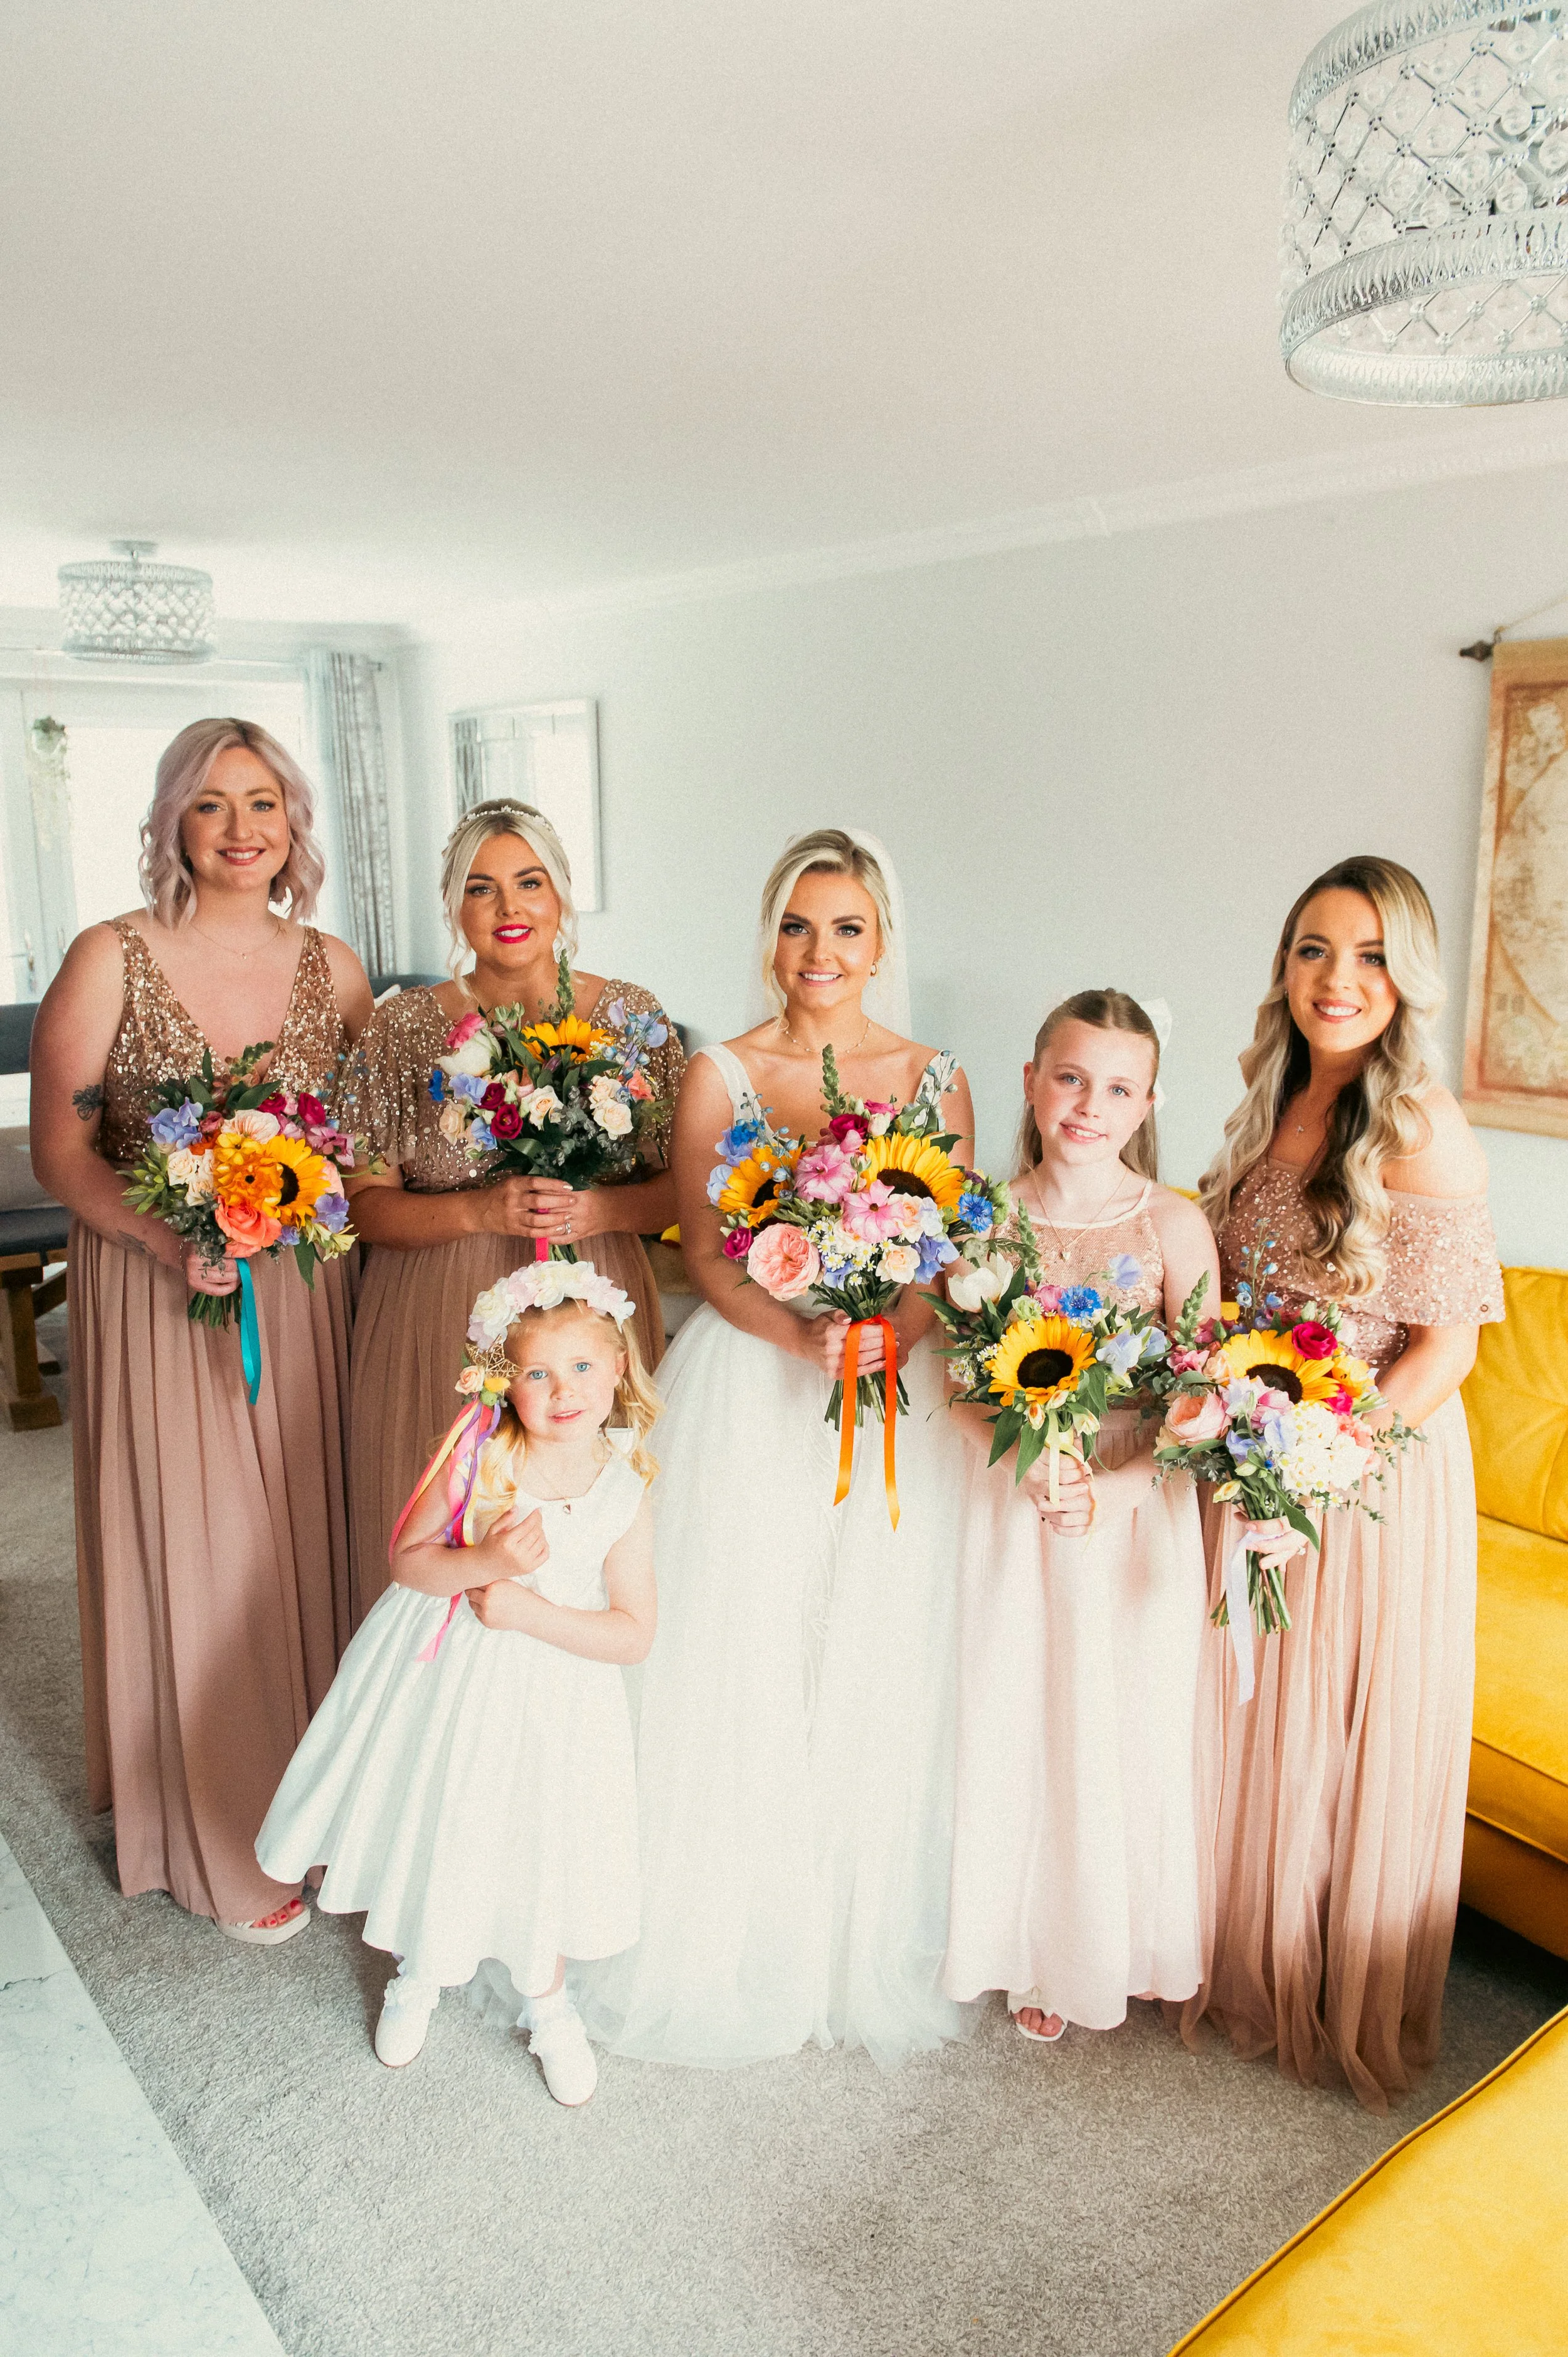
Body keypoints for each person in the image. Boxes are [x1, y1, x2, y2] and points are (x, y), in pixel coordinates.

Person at [580, 827, 975, 2069]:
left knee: (872, 1645)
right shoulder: (722, 1074)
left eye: (846, 927)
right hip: (757, 1386)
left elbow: (944, 1251)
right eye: (798, 925)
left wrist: (887, 1334)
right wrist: (799, 1339)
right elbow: (699, 1250)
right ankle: (742, 1922)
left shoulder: (932, 1078)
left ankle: (857, 1919)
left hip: (893, 1394)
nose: (820, 952)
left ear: (881, 942)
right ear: (770, 936)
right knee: (743, 1646)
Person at [31, 716, 373, 1942]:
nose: (241, 829)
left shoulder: (333, 969)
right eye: (213, 804)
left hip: (298, 1286)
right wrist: (168, 1236)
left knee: (298, 1532)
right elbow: (63, 1147)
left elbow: (360, 1149)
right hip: (158, 1281)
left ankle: (326, 1798)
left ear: (293, 823)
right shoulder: (107, 956)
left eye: (263, 802)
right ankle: (214, 1827)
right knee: (203, 1551)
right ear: (173, 820)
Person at [1175, 856, 1502, 2110]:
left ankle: (1318, 1978)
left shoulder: (1417, 1123)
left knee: (1326, 1719)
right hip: (1260, 1436)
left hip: (1362, 1464)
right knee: (1260, 1714)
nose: (1335, 979)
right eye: (1313, 949)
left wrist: (1316, 1468)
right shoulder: (1274, 1100)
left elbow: (1446, 1351)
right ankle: (1230, 1935)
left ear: (1402, 976)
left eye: (1367, 955)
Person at [256, 1259, 659, 2106]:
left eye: (583, 1367)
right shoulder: (480, 1454)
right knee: (450, 1817)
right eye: (539, 1374)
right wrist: (485, 1562)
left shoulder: (626, 1490)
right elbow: (409, 1564)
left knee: (539, 1835)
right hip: (454, 1687)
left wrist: (523, 1610)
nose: (563, 1391)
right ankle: (419, 1973)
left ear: (618, 1367)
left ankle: (548, 2007)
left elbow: (632, 1635)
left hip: (560, 1697)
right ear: (504, 1385)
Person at [942, 991, 1220, 2043]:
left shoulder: (1172, 1222)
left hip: (1136, 1506)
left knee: (1125, 1717)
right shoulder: (990, 1217)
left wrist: (1116, 1488)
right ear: (1030, 1081)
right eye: (1069, 1078)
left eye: (1116, 1087)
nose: (1088, 1105)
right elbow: (956, 1377)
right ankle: (1037, 1950)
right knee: (1023, 1712)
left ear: (1148, 1101)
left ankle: (1124, 1937)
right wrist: (1024, 1466)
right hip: (1022, 1497)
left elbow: (1202, 1398)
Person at [342, 798, 684, 1625]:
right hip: (437, 1306)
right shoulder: (402, 1029)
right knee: (443, 1530)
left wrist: (600, 1208)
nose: (509, 909)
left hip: (589, 1297)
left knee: (588, 1538)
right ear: (454, 905)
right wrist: (480, 1213)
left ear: (562, 893)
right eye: (481, 888)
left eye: (529, 883)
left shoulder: (629, 1018)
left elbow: (686, 1186)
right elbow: (362, 1206)